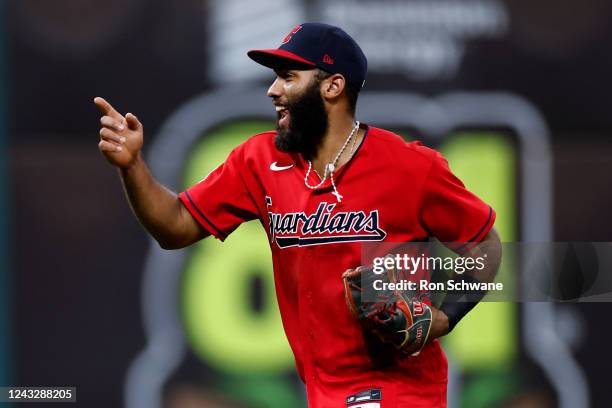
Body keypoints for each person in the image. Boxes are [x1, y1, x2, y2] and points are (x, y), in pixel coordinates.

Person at [95, 22, 501, 408]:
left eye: (289, 76)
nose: (273, 90)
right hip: (322, 390)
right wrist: (133, 167)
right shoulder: (258, 161)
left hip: (399, 388)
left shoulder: (409, 166)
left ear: (333, 86)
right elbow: (175, 226)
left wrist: (444, 318)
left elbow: (486, 244)